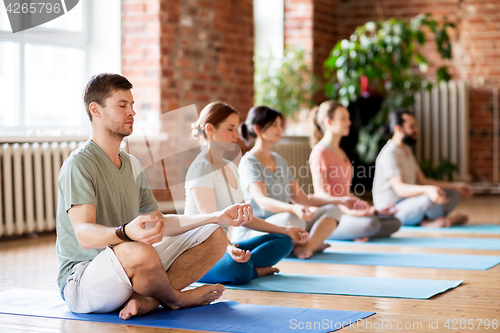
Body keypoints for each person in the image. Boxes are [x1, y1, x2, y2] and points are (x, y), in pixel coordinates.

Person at [56, 74, 252, 320]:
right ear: (95, 110)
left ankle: (147, 299)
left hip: (129, 263)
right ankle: (176, 298)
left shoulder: (131, 164)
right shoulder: (80, 164)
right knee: (139, 251)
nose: (132, 112)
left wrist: (216, 216)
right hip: (84, 280)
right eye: (122, 105)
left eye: (132, 105)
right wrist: (126, 232)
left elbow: (160, 222)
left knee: (215, 234)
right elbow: (83, 234)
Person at [185, 101, 309, 284]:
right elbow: (211, 223)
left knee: (284, 241)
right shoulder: (201, 168)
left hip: (223, 247)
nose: (236, 134)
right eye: (230, 129)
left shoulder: (231, 168)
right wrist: (228, 248)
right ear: (210, 129)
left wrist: (285, 229)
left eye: (236, 128)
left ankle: (246, 265)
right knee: (236, 268)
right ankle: (254, 271)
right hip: (198, 251)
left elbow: (245, 216)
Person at [234, 105, 369, 259]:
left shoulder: (279, 160)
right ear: (258, 129)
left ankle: (306, 246)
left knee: (333, 209)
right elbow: (263, 201)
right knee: (292, 219)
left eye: (280, 125)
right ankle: (305, 244)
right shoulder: (249, 162)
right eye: (274, 125)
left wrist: (341, 200)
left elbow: (303, 199)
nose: (280, 129)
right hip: (258, 227)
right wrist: (294, 209)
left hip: (285, 222)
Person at [309, 101, 401, 240]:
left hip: (346, 211)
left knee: (394, 222)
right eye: (343, 118)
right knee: (370, 224)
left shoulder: (341, 152)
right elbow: (321, 195)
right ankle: (342, 231)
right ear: (329, 122)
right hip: (329, 215)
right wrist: (350, 213)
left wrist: (370, 209)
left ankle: (355, 231)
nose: (349, 122)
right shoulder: (320, 152)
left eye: (348, 118)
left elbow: (345, 193)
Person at [372, 109, 474, 227]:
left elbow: (423, 181)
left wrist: (456, 185)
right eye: (412, 126)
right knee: (428, 200)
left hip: (411, 202)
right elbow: (400, 189)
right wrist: (427, 190)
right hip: (393, 210)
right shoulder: (389, 154)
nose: (417, 130)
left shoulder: (406, 151)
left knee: (454, 193)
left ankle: (428, 221)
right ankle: (439, 220)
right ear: (398, 129)